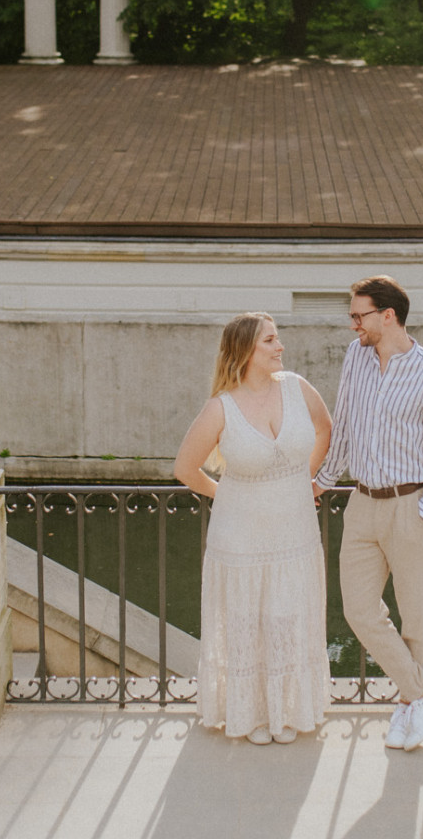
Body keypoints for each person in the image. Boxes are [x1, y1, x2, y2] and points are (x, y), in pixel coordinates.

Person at [315, 275, 423, 752]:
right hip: (362, 503)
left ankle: (406, 707)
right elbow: (345, 427)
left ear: (388, 316)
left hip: (409, 504)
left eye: (359, 315)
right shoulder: (355, 357)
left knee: (415, 615)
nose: (353, 324)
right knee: (358, 608)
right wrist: (323, 481)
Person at [174, 312, 334, 745]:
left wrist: (309, 479)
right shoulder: (221, 406)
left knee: (287, 618)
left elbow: (326, 429)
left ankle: (286, 711)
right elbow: (185, 468)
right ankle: (253, 716)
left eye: (278, 339)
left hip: (295, 533)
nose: (279, 347)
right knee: (247, 622)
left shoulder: (298, 388)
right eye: (270, 340)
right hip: (240, 537)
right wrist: (223, 495)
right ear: (245, 349)